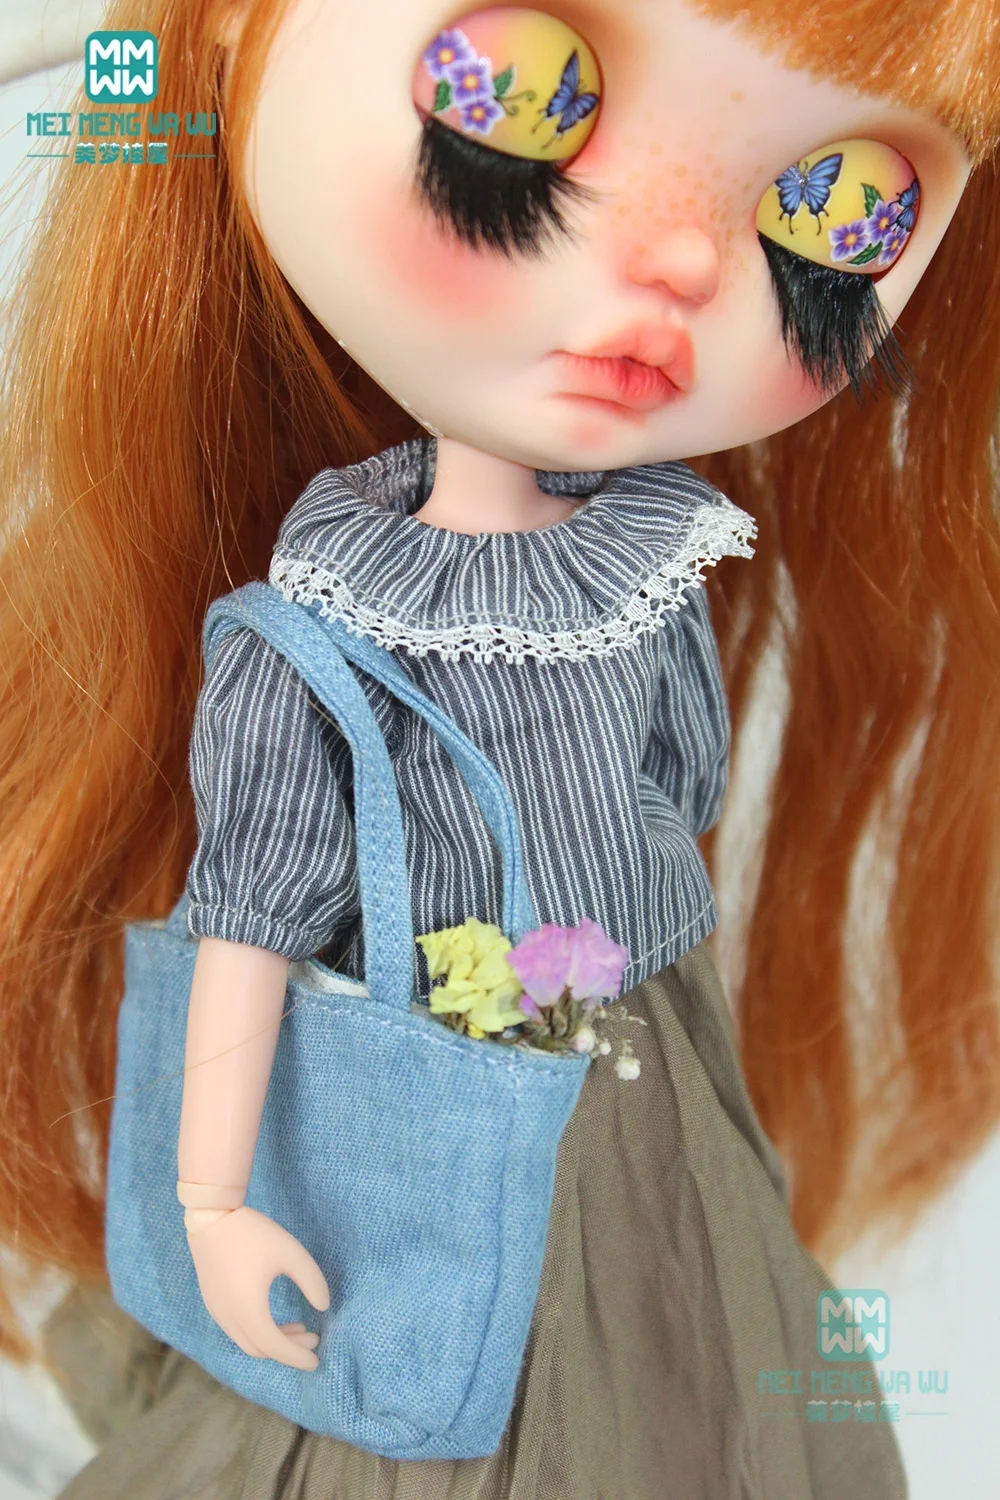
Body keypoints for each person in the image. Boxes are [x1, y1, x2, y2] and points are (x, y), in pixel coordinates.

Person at [1, 0, 998, 1495]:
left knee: (672, 1361)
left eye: (839, 209)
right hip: (434, 1082)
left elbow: (678, 788)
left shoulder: (652, 565)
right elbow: (249, 922)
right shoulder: (311, 636)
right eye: (521, 101)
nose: (681, 264)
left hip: (646, 1048)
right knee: (440, 1397)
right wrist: (213, 1200)